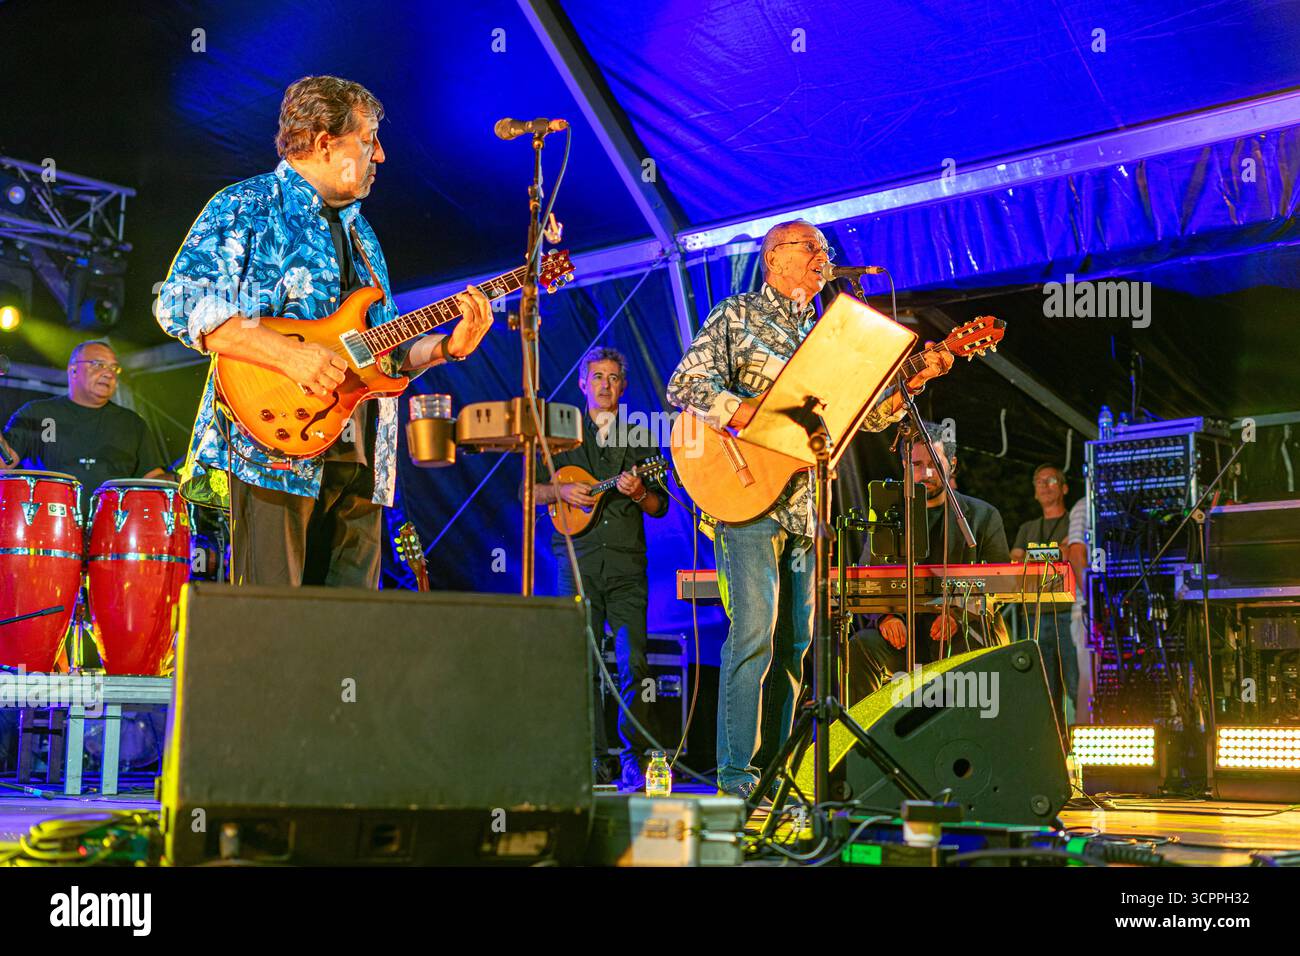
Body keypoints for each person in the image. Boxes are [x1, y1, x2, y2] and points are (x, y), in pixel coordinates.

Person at [155, 75, 493, 587]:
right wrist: (289, 356)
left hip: (361, 459)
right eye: (369, 139)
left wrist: (448, 346)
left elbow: (383, 348)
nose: (380, 155)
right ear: (324, 143)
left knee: (349, 625)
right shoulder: (247, 205)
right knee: (274, 620)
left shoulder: (363, 234)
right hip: (274, 451)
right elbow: (178, 300)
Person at [665, 218, 953, 799]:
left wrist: (919, 376)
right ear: (775, 257)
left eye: (824, 248)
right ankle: (735, 775)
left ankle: (773, 772)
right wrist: (745, 412)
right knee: (754, 634)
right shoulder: (737, 315)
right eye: (811, 247)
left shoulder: (829, 334)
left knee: (796, 644)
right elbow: (684, 386)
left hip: (805, 505)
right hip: (744, 493)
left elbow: (866, 418)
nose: (824, 255)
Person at [529, 348, 669, 789]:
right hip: (576, 562)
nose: (605, 385)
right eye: (597, 377)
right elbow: (527, 492)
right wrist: (559, 492)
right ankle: (589, 759)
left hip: (627, 566)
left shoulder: (640, 437)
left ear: (622, 386)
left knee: (634, 664)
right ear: (582, 383)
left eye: (612, 377)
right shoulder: (561, 436)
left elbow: (660, 506)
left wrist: (639, 493)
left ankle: (634, 760)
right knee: (580, 663)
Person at [855, 422, 1010, 694]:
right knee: (860, 647)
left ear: (952, 464)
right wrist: (885, 617)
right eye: (916, 464)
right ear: (905, 466)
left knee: (982, 648)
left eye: (934, 464)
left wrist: (958, 614)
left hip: (966, 633)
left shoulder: (984, 516)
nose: (925, 473)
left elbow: (1001, 587)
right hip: (906, 638)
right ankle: (863, 724)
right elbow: (866, 579)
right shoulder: (887, 516)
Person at [1, 340, 168, 493]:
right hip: (47, 514)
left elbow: (153, 478)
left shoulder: (132, 423)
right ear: (73, 370)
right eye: (99, 364)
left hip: (115, 516)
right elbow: (4, 464)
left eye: (114, 368)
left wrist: (179, 480)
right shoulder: (37, 413)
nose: (109, 374)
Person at [1010, 463, 1078, 726]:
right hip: (1034, 617)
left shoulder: (1074, 521)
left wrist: (1033, 556)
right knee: (1042, 691)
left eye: (1051, 481)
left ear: (1064, 488)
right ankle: (1052, 744)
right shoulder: (1027, 528)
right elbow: (1015, 562)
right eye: (1039, 481)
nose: (1045, 486)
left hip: (1068, 613)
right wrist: (1056, 552)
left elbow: (1070, 554)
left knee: (1076, 684)